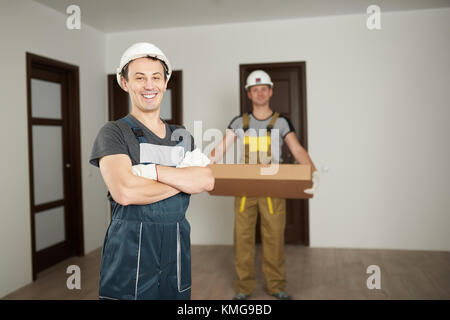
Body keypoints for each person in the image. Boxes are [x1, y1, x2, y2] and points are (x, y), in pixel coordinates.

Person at [90, 42, 214, 300]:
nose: (149, 85)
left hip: (176, 243)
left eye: (156, 77)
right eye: (139, 77)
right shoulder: (114, 133)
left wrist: (149, 172)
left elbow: (206, 180)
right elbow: (124, 192)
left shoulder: (182, 136)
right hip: (130, 246)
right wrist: (184, 180)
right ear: (124, 82)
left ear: (166, 82)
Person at [209, 70, 320, 300]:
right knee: (242, 238)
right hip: (244, 189)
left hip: (273, 188)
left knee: (274, 238)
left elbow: (297, 149)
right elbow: (219, 150)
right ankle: (243, 288)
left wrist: (313, 172)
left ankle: (276, 286)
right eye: (254, 89)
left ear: (270, 91)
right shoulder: (239, 122)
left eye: (263, 89)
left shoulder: (281, 122)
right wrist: (199, 168)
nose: (259, 93)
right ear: (249, 94)